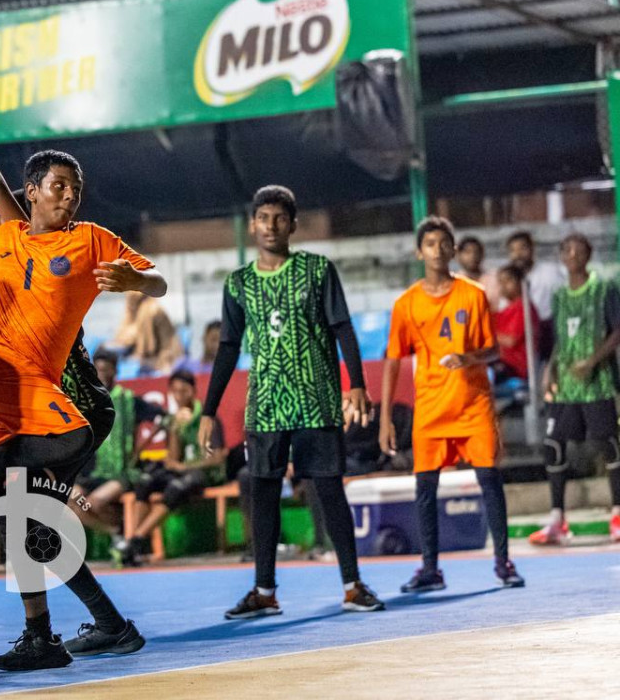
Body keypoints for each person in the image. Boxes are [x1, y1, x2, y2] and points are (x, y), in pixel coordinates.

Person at [0, 62, 165, 671]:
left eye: (74, 189)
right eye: (58, 186)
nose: (69, 195)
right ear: (34, 192)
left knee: (18, 512)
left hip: (70, 407)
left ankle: (63, 629)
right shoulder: (11, 243)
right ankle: (74, 630)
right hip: (24, 410)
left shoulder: (81, 243)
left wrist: (137, 280)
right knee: (17, 519)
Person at [200, 184, 384, 619]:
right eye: (263, 218)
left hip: (315, 400)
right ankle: (264, 591)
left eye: (279, 218)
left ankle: (353, 586)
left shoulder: (318, 270)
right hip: (265, 406)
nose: (271, 226)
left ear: (293, 225)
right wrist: (208, 410)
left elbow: (342, 328)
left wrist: (357, 384)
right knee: (263, 493)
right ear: (252, 225)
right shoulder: (238, 283)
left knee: (329, 489)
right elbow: (228, 348)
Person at [381, 216, 525, 593]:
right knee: (425, 489)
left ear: (454, 249)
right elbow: (393, 359)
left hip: (473, 404)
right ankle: (430, 569)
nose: (438, 250)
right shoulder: (406, 304)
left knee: (489, 480)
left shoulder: (473, 294)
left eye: (445, 243)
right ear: (419, 252)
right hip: (431, 408)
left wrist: (468, 358)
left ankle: (503, 561)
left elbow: (493, 349)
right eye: (430, 244)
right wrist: (385, 418)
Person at [529, 233, 620, 545]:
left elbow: (617, 331)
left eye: (578, 250)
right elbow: (559, 339)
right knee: (553, 445)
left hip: (598, 384)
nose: (572, 255)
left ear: (588, 255)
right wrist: (549, 370)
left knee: (608, 444)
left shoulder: (604, 289)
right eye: (566, 250)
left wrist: (593, 361)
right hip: (566, 387)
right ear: (561, 256)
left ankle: (617, 514)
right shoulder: (558, 296)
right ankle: (557, 519)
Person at [114, 370, 227, 566]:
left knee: (177, 487)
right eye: (175, 392)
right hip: (182, 472)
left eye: (184, 391)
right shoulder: (175, 419)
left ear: (193, 390)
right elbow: (173, 459)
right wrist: (175, 429)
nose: (179, 396)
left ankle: (136, 540)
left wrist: (183, 466)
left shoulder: (208, 418)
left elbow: (217, 458)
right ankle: (138, 544)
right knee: (145, 482)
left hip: (204, 474)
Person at [75, 349, 160, 538]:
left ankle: (122, 529)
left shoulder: (128, 400)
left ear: (114, 371)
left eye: (106, 369)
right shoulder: (85, 401)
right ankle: (115, 531)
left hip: (120, 473)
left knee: (94, 503)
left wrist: (139, 448)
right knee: (72, 499)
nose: (101, 374)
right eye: (97, 370)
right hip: (92, 473)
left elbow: (162, 418)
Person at [109, 292, 183, 374]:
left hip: (163, 360)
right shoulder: (132, 309)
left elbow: (146, 348)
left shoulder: (151, 310)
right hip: (150, 358)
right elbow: (122, 337)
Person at [492, 264, 538, 383]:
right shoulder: (504, 311)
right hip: (503, 364)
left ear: (520, 282)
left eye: (508, 281)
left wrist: (488, 335)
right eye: (500, 282)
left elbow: (511, 340)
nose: (503, 286)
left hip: (517, 370)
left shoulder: (523, 308)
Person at [506, 230, 564, 322]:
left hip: (546, 325)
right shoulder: (505, 279)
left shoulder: (549, 273)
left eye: (522, 248)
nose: (518, 254)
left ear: (532, 249)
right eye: (513, 250)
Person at [456, 236, 500, 310]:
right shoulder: (454, 282)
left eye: (476, 252)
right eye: (468, 252)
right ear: (458, 256)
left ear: (482, 255)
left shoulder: (495, 278)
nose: (473, 256)